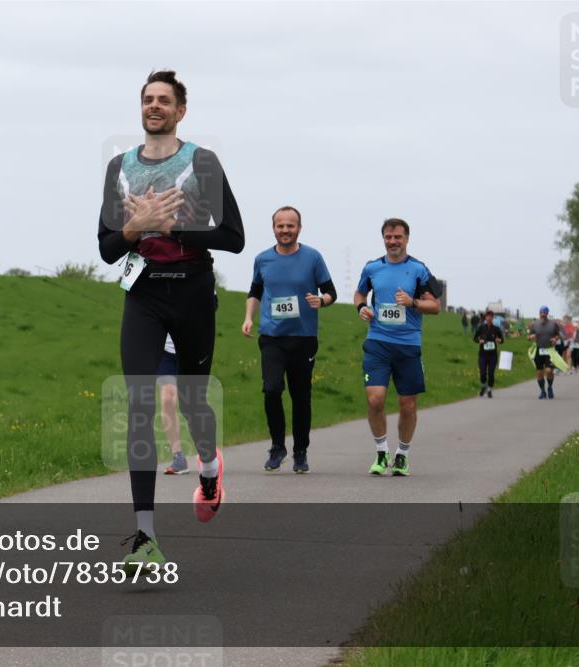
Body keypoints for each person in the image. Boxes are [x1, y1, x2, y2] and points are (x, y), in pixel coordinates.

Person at [98, 70, 244, 569]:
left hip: (193, 292)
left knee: (191, 397)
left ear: (181, 111)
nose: (154, 106)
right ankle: (145, 537)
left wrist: (175, 227)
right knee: (140, 403)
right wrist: (135, 228)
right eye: (147, 99)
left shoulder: (202, 161)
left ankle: (208, 465)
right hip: (143, 294)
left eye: (164, 100)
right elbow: (106, 247)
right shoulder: (119, 167)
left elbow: (233, 236)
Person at [242, 206, 336, 473]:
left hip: (304, 337)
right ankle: (277, 446)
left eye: (290, 226)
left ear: (299, 228)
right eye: (280, 225)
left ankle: (300, 451)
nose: (285, 230)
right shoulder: (262, 259)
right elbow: (255, 291)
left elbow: (331, 292)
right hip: (272, 336)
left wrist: (321, 300)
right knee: (271, 389)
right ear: (273, 228)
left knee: (301, 396)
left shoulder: (312, 257)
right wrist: (249, 317)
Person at [353, 218, 442, 477]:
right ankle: (382, 452)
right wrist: (362, 307)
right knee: (375, 399)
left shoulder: (419, 269)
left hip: (408, 345)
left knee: (408, 405)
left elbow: (435, 306)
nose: (393, 242)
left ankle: (402, 455)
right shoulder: (372, 268)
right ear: (383, 238)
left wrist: (412, 302)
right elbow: (359, 294)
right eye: (388, 237)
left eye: (398, 237)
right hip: (378, 342)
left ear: (406, 239)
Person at [158, 335, 188, 475]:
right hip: (165, 352)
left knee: (189, 402)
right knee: (167, 400)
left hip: (192, 348)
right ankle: (178, 456)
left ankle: (207, 452)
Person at [527, 306, 562, 399]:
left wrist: (555, 339)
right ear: (539, 313)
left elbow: (558, 335)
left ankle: (550, 387)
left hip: (550, 350)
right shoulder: (535, 324)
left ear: (547, 313)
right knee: (539, 372)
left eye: (544, 313)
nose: (543, 314)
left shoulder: (553, 324)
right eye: (541, 313)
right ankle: (542, 391)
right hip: (539, 349)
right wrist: (530, 337)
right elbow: (529, 336)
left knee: (549, 371)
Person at [473, 309, 503, 398]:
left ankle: (489, 389)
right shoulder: (481, 328)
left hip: (493, 355)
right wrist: (480, 340)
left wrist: (499, 340)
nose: (489, 318)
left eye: (491, 317)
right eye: (488, 316)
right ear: (485, 318)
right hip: (483, 354)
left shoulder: (496, 329)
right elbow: (474, 338)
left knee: (491, 373)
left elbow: (502, 340)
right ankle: (483, 386)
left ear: (492, 318)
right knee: (482, 372)